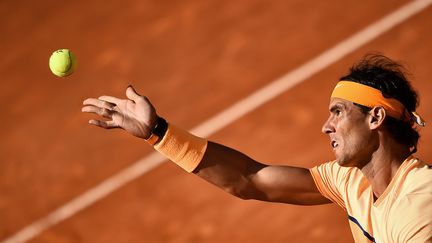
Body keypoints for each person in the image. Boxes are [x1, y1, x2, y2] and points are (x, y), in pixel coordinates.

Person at [82, 54, 431, 242]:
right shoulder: (351, 182)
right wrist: (158, 132)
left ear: (375, 118)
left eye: (338, 112)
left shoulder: (419, 207)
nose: (326, 126)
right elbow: (251, 180)